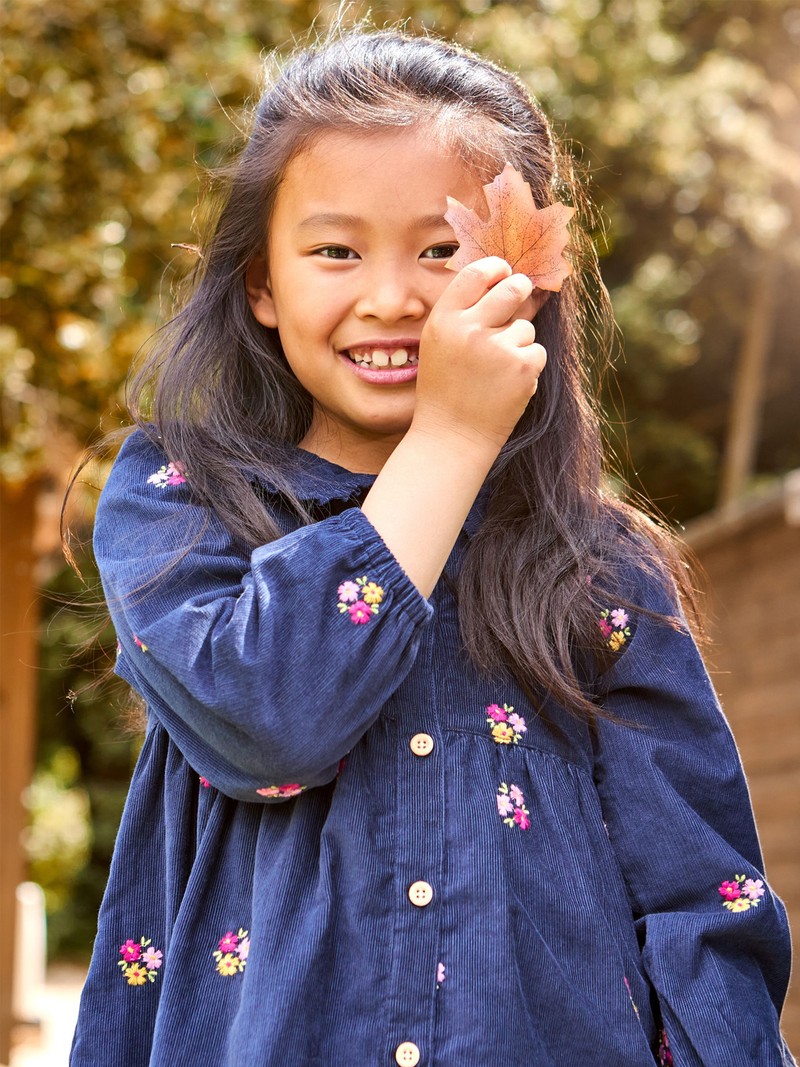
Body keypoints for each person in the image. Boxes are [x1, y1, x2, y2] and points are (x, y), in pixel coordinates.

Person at [69, 27, 794, 1067]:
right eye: (336, 250)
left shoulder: (596, 565)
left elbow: (702, 897)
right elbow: (266, 722)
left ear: (526, 276)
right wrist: (448, 438)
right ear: (261, 284)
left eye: (442, 249)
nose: (392, 296)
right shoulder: (181, 500)